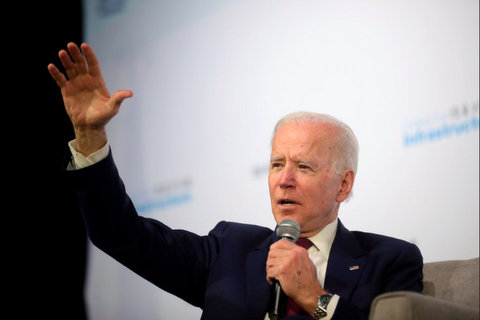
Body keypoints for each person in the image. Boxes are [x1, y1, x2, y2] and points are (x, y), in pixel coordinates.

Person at [48, 42, 423, 320]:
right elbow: (121, 235)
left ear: (343, 185)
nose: (284, 180)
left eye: (304, 167)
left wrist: (314, 297)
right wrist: (89, 136)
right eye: (277, 164)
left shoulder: (389, 260)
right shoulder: (231, 250)